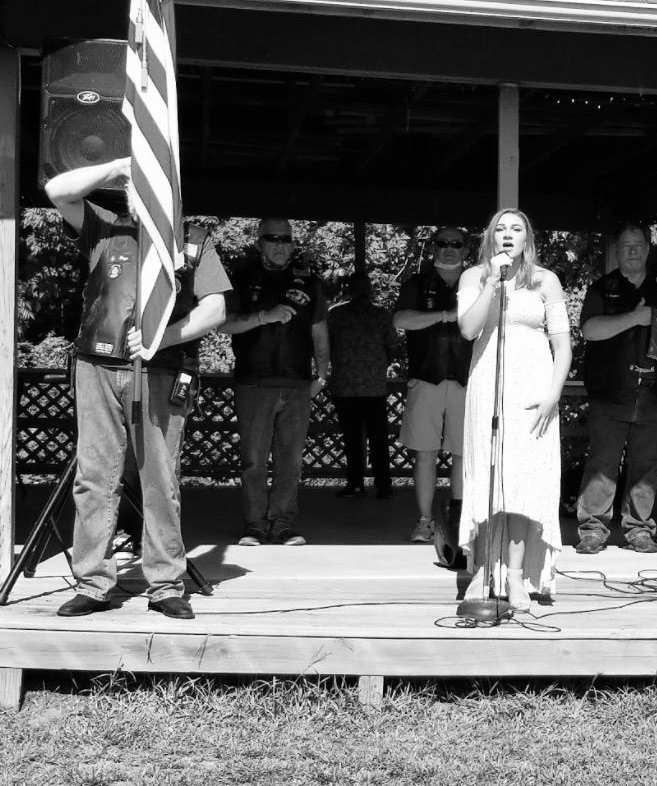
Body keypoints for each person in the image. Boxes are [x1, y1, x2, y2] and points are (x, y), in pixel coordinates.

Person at [45, 157, 230, 621]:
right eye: (138, 182)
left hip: (163, 370)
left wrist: (160, 337)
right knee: (94, 478)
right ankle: (92, 582)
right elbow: (58, 192)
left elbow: (216, 309)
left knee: (160, 481)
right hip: (97, 366)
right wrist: (119, 166)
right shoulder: (104, 226)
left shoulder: (194, 241)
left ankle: (165, 583)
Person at [457, 208, 572, 609]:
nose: (508, 235)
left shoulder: (546, 281)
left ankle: (518, 577)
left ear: (528, 238)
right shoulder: (475, 277)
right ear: (490, 237)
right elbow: (469, 329)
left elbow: (563, 346)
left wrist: (553, 394)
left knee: (524, 482)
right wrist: (491, 280)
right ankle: (484, 571)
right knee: (489, 478)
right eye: (500, 229)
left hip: (534, 394)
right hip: (489, 387)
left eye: (516, 229)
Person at [575, 223, 657, 555]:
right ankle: (592, 530)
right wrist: (635, 317)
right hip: (611, 391)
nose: (632, 251)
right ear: (617, 251)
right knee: (602, 462)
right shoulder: (602, 288)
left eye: (638, 244)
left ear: (647, 247)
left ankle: (639, 529)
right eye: (625, 245)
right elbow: (589, 330)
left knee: (647, 465)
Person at [226, 217, 330, 546]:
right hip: (254, 383)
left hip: (297, 383)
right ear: (259, 242)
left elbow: (320, 332)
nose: (280, 244)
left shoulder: (309, 282)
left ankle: (283, 523)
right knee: (254, 459)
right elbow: (222, 325)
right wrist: (263, 317)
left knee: (291, 460)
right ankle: (255, 524)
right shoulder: (242, 277)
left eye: (285, 239)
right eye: (272, 238)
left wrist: (324, 374)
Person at [392, 228, 472, 543]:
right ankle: (425, 521)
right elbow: (400, 320)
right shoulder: (416, 284)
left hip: (468, 382)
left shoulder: (478, 283)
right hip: (426, 379)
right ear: (433, 247)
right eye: (443, 243)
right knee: (425, 454)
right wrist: (444, 315)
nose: (449, 249)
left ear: (467, 249)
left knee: (464, 456)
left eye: (456, 244)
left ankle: (460, 520)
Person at [327, 270, 398, 498]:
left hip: (346, 386)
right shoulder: (380, 315)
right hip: (372, 387)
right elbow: (394, 348)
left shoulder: (336, 315)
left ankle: (356, 484)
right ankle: (383, 485)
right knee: (378, 438)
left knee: (353, 438)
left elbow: (323, 347)